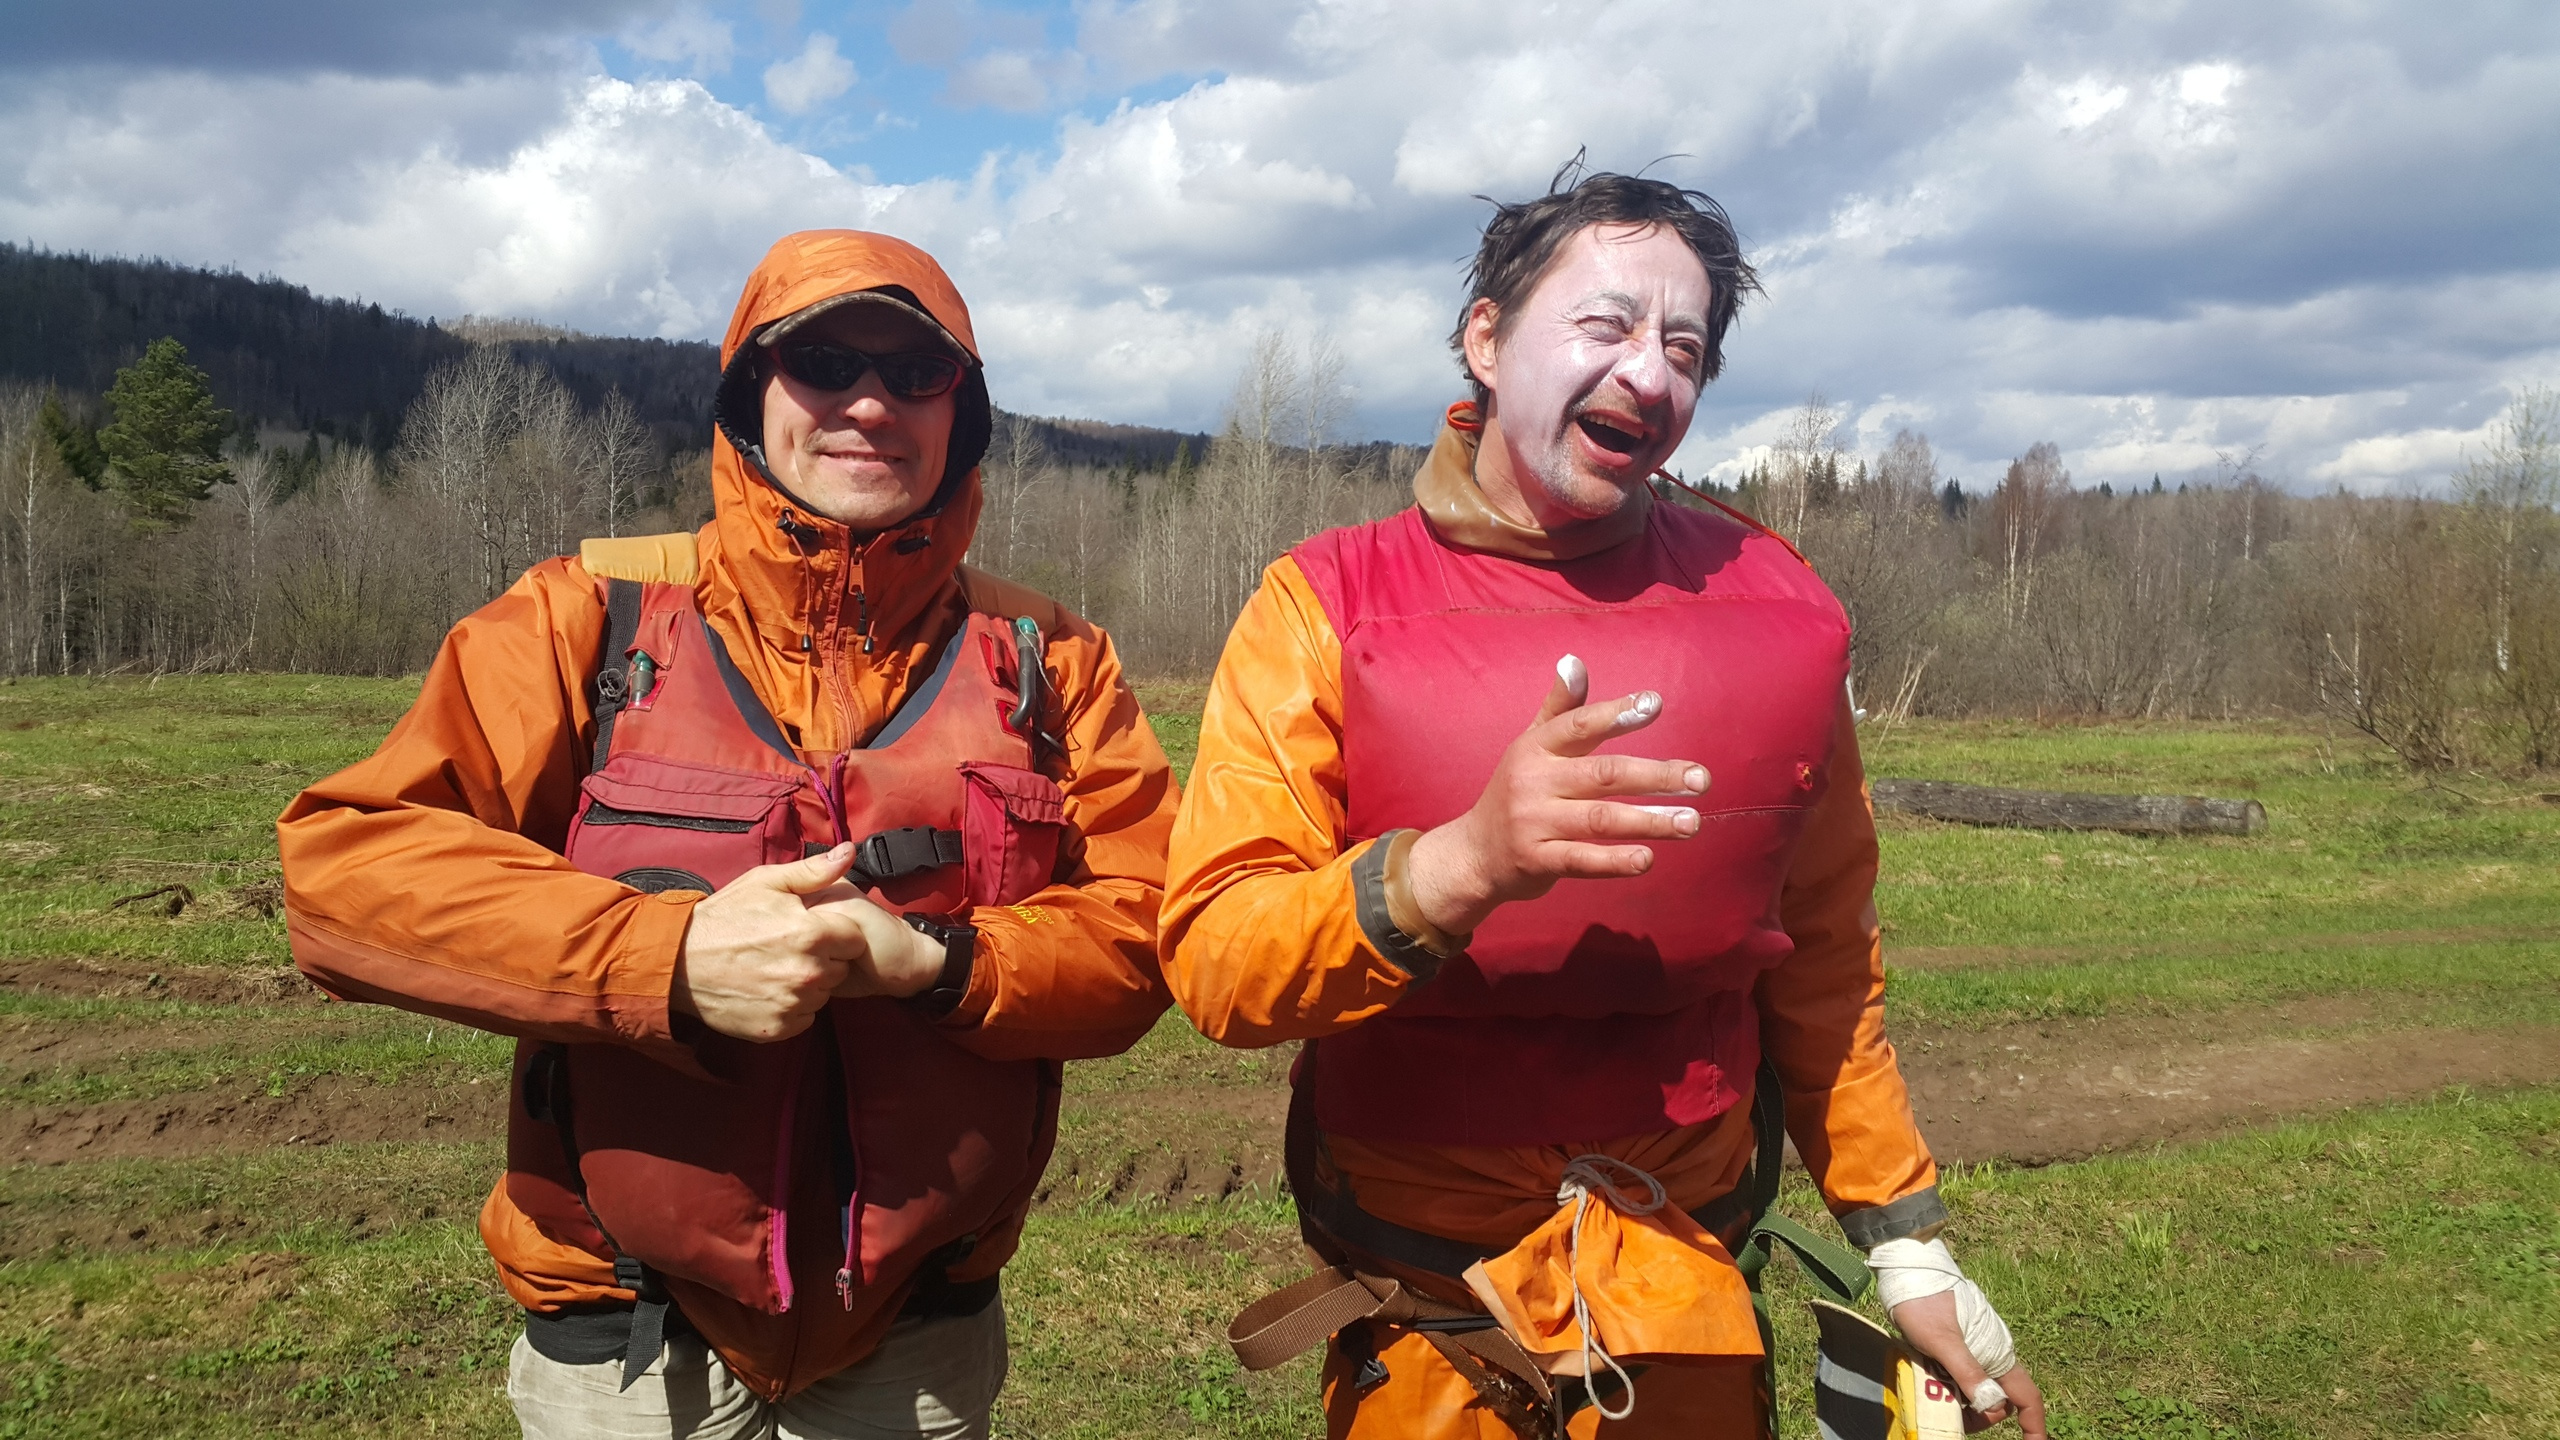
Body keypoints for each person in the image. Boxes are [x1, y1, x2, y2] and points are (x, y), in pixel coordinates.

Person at [1160, 169, 2047, 1439]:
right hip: (1426, 1324)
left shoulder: (1779, 607)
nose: (1650, 375)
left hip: (1683, 1306)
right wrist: (1454, 868)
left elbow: (1826, 959)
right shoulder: (1322, 606)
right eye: (1608, 325)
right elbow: (1216, 963)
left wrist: (1902, 1242)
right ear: (1486, 335)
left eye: (1684, 348)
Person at [277, 230, 1177, 1438]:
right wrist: (667, 960)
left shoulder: (1051, 660)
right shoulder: (583, 620)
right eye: (823, 362)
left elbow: (1152, 929)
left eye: (918, 375)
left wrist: (940, 962)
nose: (870, 402)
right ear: (749, 399)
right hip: (628, 1349)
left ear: (962, 417)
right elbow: (345, 868)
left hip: (919, 1344)